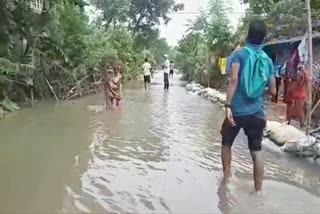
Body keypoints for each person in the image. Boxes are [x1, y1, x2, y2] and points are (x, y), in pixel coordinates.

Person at [220, 20, 276, 192]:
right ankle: (258, 191)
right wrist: (257, 92)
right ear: (263, 37)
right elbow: (273, 91)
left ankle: (227, 179)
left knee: (226, 142)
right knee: (256, 151)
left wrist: (228, 105)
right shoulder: (267, 60)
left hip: (237, 111)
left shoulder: (239, 54)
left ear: (248, 34)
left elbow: (233, 80)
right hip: (257, 113)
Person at [286, 63, 308, 128]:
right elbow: (291, 84)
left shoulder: (303, 76)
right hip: (293, 94)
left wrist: (304, 71)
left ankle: (302, 125)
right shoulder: (296, 75)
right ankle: (288, 122)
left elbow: (307, 80)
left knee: (300, 110)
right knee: (290, 109)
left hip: (299, 95)